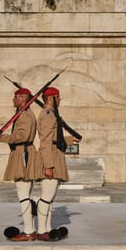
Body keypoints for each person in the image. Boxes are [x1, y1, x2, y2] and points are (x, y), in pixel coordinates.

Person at [35, 87, 81, 241]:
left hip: (55, 155)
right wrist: (48, 166)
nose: (60, 100)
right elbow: (46, 142)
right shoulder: (48, 115)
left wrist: (70, 139)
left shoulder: (52, 114)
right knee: (46, 196)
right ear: (50, 99)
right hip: (51, 157)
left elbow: (56, 138)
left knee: (50, 197)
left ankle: (47, 228)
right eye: (58, 97)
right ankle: (41, 230)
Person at [0, 88, 37, 241]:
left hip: (22, 154)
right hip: (22, 153)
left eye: (16, 97)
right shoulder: (24, 114)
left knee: (23, 195)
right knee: (25, 194)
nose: (13, 99)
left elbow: (22, 136)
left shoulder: (25, 115)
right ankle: (30, 228)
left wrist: (3, 138)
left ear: (24, 99)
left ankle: (29, 231)